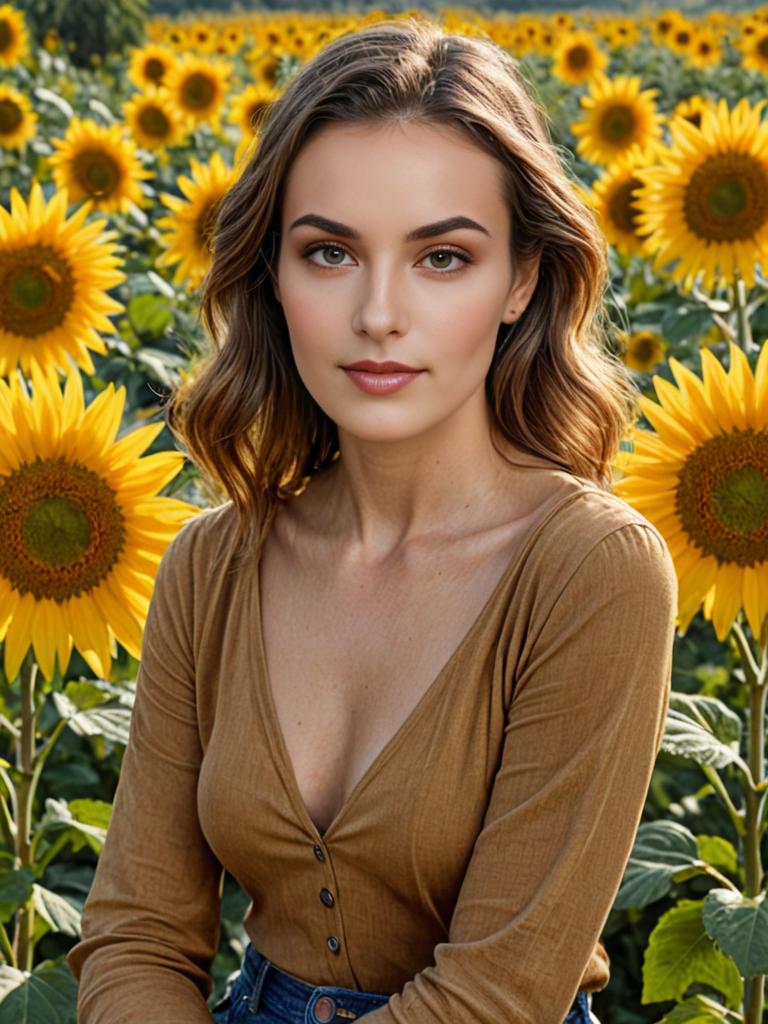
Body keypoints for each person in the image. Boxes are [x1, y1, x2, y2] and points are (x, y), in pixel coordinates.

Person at [65, 16, 678, 1024]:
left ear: (522, 278)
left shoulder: (591, 570)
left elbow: (497, 992)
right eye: (330, 253)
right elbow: (137, 933)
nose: (379, 314)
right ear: (273, 272)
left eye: (442, 257)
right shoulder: (211, 563)